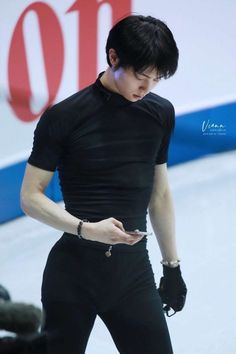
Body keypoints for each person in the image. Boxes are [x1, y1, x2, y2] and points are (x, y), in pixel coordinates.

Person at [20, 14, 187, 354]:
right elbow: (29, 197)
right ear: (113, 58)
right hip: (72, 275)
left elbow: (160, 194)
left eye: (156, 79)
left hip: (132, 276)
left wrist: (172, 267)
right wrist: (86, 229)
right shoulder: (64, 117)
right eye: (141, 76)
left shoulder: (160, 114)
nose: (147, 87)